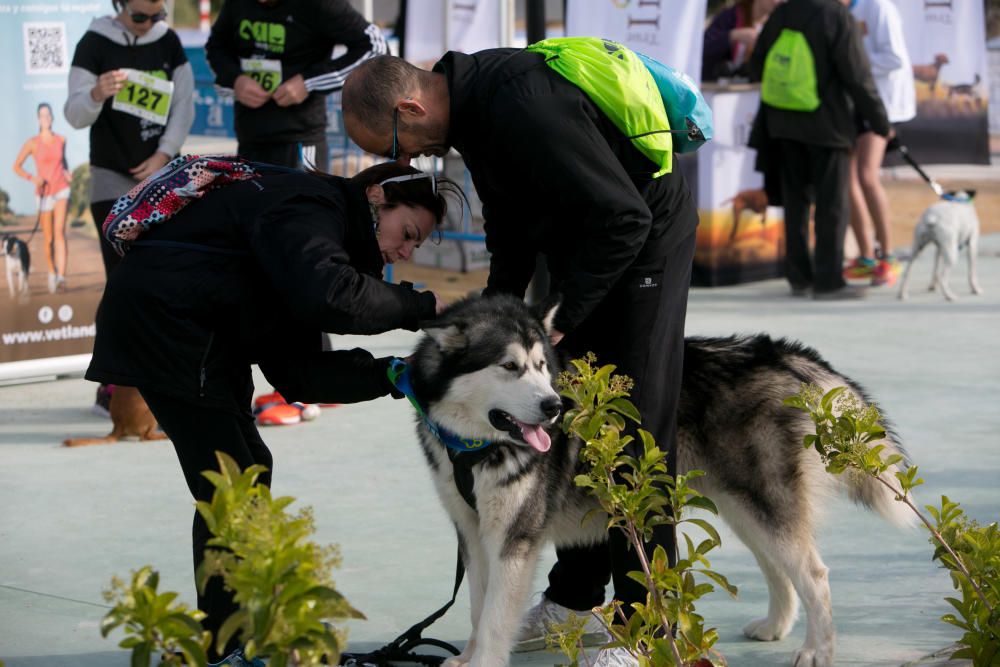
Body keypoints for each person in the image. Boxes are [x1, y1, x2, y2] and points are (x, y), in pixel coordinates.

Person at [342, 49, 699, 667]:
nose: (405, 161)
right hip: (587, 240)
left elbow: (624, 216)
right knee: (564, 418)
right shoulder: (474, 115)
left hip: (645, 240)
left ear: (410, 107)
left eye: (396, 145)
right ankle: (576, 598)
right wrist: (500, 312)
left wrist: (559, 316)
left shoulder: (521, 103)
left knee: (634, 425)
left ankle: (651, 628)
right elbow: (509, 225)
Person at [85, 160, 453, 663]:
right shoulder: (308, 206)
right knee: (232, 483)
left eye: (415, 246)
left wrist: (391, 374)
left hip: (202, 335)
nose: (406, 251)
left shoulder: (320, 243)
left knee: (240, 475)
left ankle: (239, 633)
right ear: (375, 196)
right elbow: (331, 294)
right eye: (408, 233)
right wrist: (422, 306)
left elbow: (301, 373)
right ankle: (227, 647)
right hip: (169, 327)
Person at [64, 0, 194, 415]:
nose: (148, 25)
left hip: (163, 178)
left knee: (162, 282)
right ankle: (112, 383)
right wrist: (96, 93)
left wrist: (163, 156)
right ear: (121, 7)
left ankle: (161, 380)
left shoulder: (170, 44)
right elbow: (74, 114)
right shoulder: (94, 43)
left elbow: (184, 107)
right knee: (121, 282)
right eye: (140, 17)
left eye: (156, 17)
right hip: (110, 182)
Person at [749, 0, 890, 299]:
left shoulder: (783, 13)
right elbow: (857, 76)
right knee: (832, 205)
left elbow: (757, 64)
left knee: (795, 204)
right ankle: (828, 281)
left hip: (782, 124)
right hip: (828, 126)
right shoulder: (837, 16)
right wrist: (880, 122)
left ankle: (799, 278)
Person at [205, 0, 387, 172]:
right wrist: (236, 80)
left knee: (306, 204)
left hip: (301, 140)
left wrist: (308, 82)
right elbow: (216, 46)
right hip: (250, 137)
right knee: (252, 204)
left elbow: (375, 47)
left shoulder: (319, 4)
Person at [843, 0, 915, 287]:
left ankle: (888, 255)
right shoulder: (840, 9)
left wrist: (852, 61)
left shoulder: (879, 7)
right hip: (852, 104)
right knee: (846, 179)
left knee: (867, 175)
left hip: (881, 104)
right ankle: (866, 257)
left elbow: (894, 58)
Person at [13, 103, 72, 293]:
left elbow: (63, 163)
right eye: (42, 115)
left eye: (48, 115)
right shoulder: (32, 143)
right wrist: (33, 178)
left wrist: (68, 173)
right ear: (38, 119)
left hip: (61, 188)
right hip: (44, 193)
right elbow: (17, 166)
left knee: (59, 233)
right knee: (48, 239)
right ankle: (52, 272)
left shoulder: (61, 140)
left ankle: (62, 278)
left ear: (52, 118)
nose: (45, 118)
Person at [702, 0, 783, 82]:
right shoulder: (731, 16)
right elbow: (703, 48)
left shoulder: (778, 23)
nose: (777, 1)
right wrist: (733, 35)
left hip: (754, 89)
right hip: (719, 88)